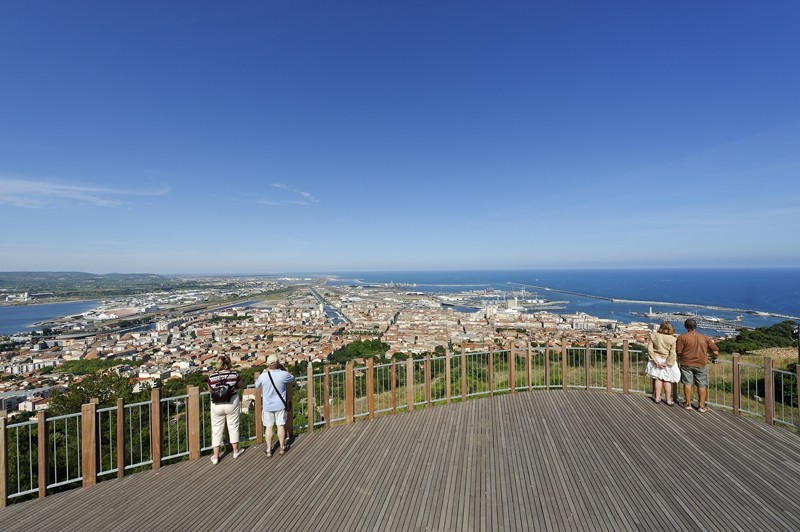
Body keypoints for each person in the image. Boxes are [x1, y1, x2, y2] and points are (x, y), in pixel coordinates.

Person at [676, 318, 720, 413]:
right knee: (702, 384)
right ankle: (701, 406)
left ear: (685, 326)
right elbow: (716, 351)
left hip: (686, 363)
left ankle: (688, 404)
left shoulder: (682, 337)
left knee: (687, 383)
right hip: (701, 364)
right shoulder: (704, 337)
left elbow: (678, 351)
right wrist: (714, 358)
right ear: (696, 326)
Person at [255, 354, 295, 456]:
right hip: (280, 405)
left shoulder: (264, 376)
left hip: (268, 406)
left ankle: (269, 449)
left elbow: (256, 385)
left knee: (268, 427)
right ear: (277, 363)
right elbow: (292, 378)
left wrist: (264, 372)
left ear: (268, 364)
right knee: (280, 425)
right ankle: (281, 447)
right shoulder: (283, 374)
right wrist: (283, 370)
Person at [207, 354, 244, 464]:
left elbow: (210, 389)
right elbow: (241, 384)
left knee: (217, 429)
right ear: (229, 363)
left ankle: (216, 456)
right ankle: (236, 451)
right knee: (233, 426)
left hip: (217, 404)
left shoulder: (212, 377)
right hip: (231, 402)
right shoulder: (234, 374)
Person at [646, 321, 680, 405]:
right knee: (667, 380)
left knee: (658, 378)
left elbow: (650, 349)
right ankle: (668, 399)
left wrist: (655, 360)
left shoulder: (653, 335)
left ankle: (657, 398)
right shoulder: (673, 339)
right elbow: (672, 353)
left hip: (657, 359)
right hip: (667, 359)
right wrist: (668, 363)